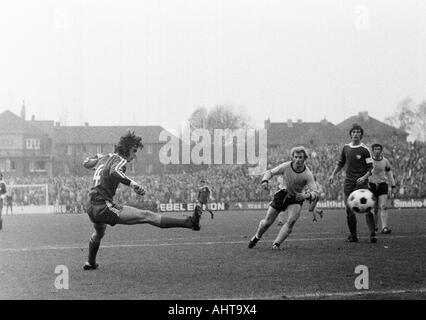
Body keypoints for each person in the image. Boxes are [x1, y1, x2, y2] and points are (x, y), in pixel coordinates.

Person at [82, 131, 203, 270]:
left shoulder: (105, 158)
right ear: (126, 149)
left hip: (91, 206)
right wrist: (134, 185)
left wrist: (96, 158)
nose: (134, 155)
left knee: (99, 233)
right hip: (104, 206)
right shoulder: (120, 160)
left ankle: (90, 263)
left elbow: (85, 163)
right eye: (133, 151)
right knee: (147, 215)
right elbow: (114, 171)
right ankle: (190, 223)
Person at [248, 146, 318, 250]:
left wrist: (305, 195)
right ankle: (257, 237)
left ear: (305, 159)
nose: (298, 159)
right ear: (292, 158)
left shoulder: (307, 174)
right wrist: (265, 180)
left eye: (300, 157)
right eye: (296, 157)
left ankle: (276, 244)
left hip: (296, 198)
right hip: (282, 194)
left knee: (292, 220)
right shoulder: (286, 166)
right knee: (267, 222)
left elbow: (315, 192)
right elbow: (270, 172)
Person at [329, 124, 376, 243]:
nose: (355, 134)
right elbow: (340, 163)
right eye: (353, 132)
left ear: (361, 134)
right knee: (348, 209)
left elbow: (371, 168)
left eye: (358, 132)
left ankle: (372, 234)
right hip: (349, 182)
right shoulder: (346, 148)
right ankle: (353, 236)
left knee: (368, 208)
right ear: (350, 134)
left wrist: (364, 177)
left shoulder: (365, 150)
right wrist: (333, 174)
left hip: (361, 183)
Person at [369, 143, 396, 234]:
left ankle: (384, 227)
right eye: (375, 149)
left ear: (381, 150)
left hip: (382, 185)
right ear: (372, 151)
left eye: (378, 149)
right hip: (371, 185)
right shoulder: (369, 161)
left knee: (383, 206)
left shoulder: (385, 161)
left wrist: (393, 185)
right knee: (375, 208)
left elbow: (389, 174)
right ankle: (375, 227)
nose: (377, 151)